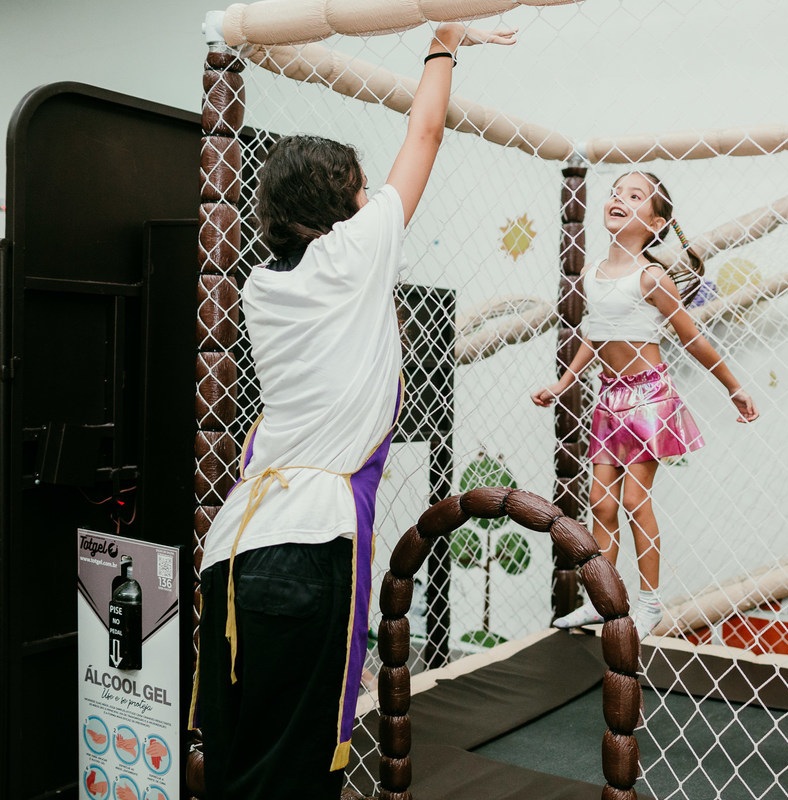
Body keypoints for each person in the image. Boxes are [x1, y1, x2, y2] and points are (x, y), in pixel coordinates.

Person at [190, 23, 516, 799]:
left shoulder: (260, 285)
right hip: (307, 548)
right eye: (362, 187)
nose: (375, 198)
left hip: (232, 550)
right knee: (298, 771)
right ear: (343, 203)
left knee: (238, 759)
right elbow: (428, 130)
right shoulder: (357, 252)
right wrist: (444, 39)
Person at [532, 172, 759, 640]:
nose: (618, 198)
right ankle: (602, 601)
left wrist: (733, 386)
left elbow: (691, 337)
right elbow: (593, 336)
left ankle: (650, 603)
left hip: (648, 395)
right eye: (616, 191)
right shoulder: (593, 273)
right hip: (609, 397)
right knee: (599, 502)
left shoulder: (651, 276)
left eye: (633, 196)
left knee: (634, 500)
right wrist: (564, 382)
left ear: (654, 222)